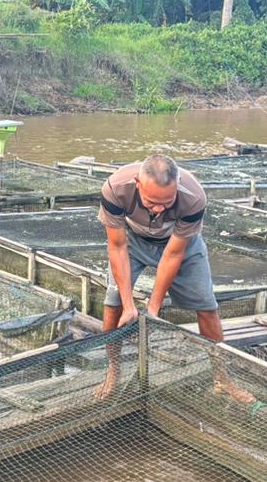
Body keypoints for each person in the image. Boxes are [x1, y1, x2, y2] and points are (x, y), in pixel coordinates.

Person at [95, 154, 254, 403]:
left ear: (178, 185)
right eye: (151, 202)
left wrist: (153, 308)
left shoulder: (194, 198)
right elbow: (116, 247)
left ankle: (222, 378)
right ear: (137, 183)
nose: (158, 209)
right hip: (133, 241)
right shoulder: (115, 188)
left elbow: (173, 254)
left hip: (180, 244)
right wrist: (129, 305)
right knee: (112, 302)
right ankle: (113, 371)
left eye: (166, 202)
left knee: (207, 305)